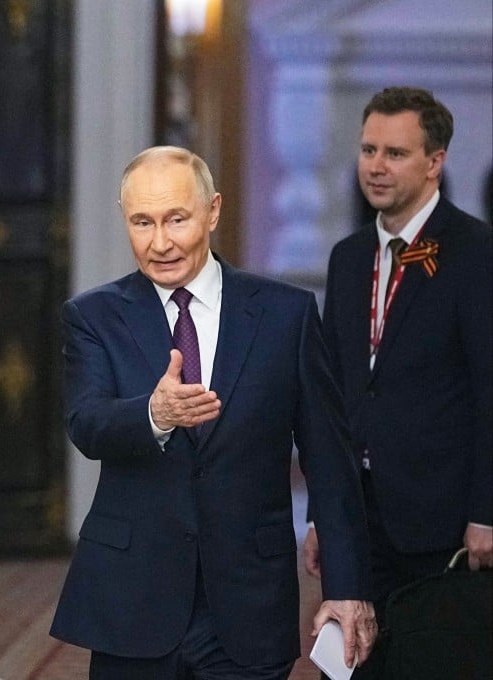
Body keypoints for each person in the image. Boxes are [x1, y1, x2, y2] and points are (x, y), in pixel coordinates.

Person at [50, 146, 377, 679]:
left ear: (213, 211)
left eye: (176, 219)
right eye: (142, 222)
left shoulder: (285, 315)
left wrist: (346, 589)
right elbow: (86, 423)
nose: (160, 242)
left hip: (250, 602)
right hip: (134, 600)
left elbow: (330, 460)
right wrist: (153, 413)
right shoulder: (93, 316)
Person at [304, 87, 492, 676]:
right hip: (358, 522)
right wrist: (320, 516)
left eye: (395, 153)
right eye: (367, 149)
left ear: (434, 162)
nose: (375, 166)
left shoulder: (476, 252)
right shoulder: (347, 256)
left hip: (442, 522)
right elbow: (331, 400)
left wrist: (487, 511)